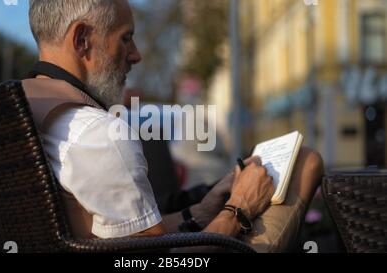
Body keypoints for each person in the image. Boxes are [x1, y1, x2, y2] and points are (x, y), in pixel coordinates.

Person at [24, 0, 324, 252]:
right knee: (304, 161)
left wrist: (201, 211)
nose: (136, 55)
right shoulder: (98, 134)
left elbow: (132, 241)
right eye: (125, 38)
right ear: (82, 40)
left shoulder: (24, 109)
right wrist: (240, 208)